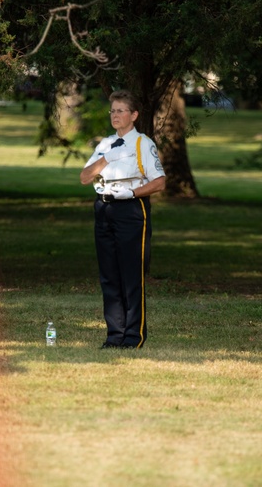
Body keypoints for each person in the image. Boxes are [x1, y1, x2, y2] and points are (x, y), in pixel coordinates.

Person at [79, 90, 166, 349]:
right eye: (112, 111)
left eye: (120, 111)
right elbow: (84, 177)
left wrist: (132, 192)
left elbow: (159, 182)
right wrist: (107, 158)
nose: (115, 116)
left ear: (134, 115)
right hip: (104, 208)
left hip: (131, 209)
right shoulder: (105, 144)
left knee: (131, 274)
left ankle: (133, 336)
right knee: (109, 274)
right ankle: (114, 335)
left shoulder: (143, 143)